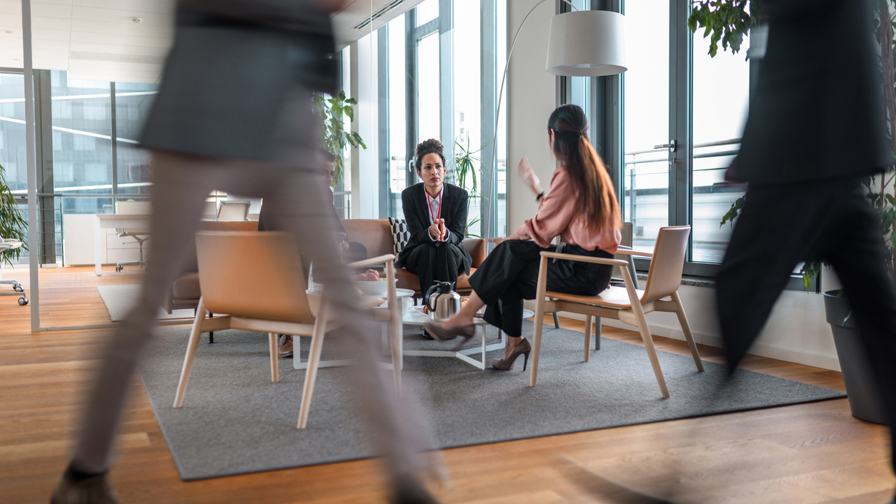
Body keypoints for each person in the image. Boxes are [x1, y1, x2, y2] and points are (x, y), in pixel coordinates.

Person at [50, 1, 437, 503]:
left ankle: (406, 478)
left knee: (347, 299)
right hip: (200, 104)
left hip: (283, 115)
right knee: (146, 305)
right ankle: (85, 472)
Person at [715, 0, 896, 502]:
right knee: (882, 324)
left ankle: (686, 466)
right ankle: (688, 461)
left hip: (801, 150)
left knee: (736, 296)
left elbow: (788, 37)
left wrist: (755, 148)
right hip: (838, 150)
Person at [425, 104, 621, 371]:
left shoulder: (569, 175)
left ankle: (467, 317)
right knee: (510, 264)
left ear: (553, 135)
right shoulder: (595, 174)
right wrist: (537, 189)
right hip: (597, 269)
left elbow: (542, 229)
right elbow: (559, 214)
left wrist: (510, 239)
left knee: (510, 258)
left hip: (582, 271)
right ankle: (512, 342)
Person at [258, 154, 368, 358]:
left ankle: (339, 316)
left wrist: (341, 239)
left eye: (331, 173)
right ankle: (287, 334)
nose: (329, 178)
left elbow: (335, 225)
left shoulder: (325, 194)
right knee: (299, 259)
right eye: (323, 172)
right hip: (281, 254)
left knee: (358, 249)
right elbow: (276, 238)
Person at [395, 139, 472, 336]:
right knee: (429, 250)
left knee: (445, 249)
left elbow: (458, 234)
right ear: (419, 173)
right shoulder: (409, 195)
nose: (434, 172)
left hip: (450, 249)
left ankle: (449, 319)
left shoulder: (460, 195)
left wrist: (445, 234)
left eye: (438, 167)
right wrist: (430, 232)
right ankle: (431, 318)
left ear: (445, 170)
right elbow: (416, 233)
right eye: (427, 168)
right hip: (419, 250)